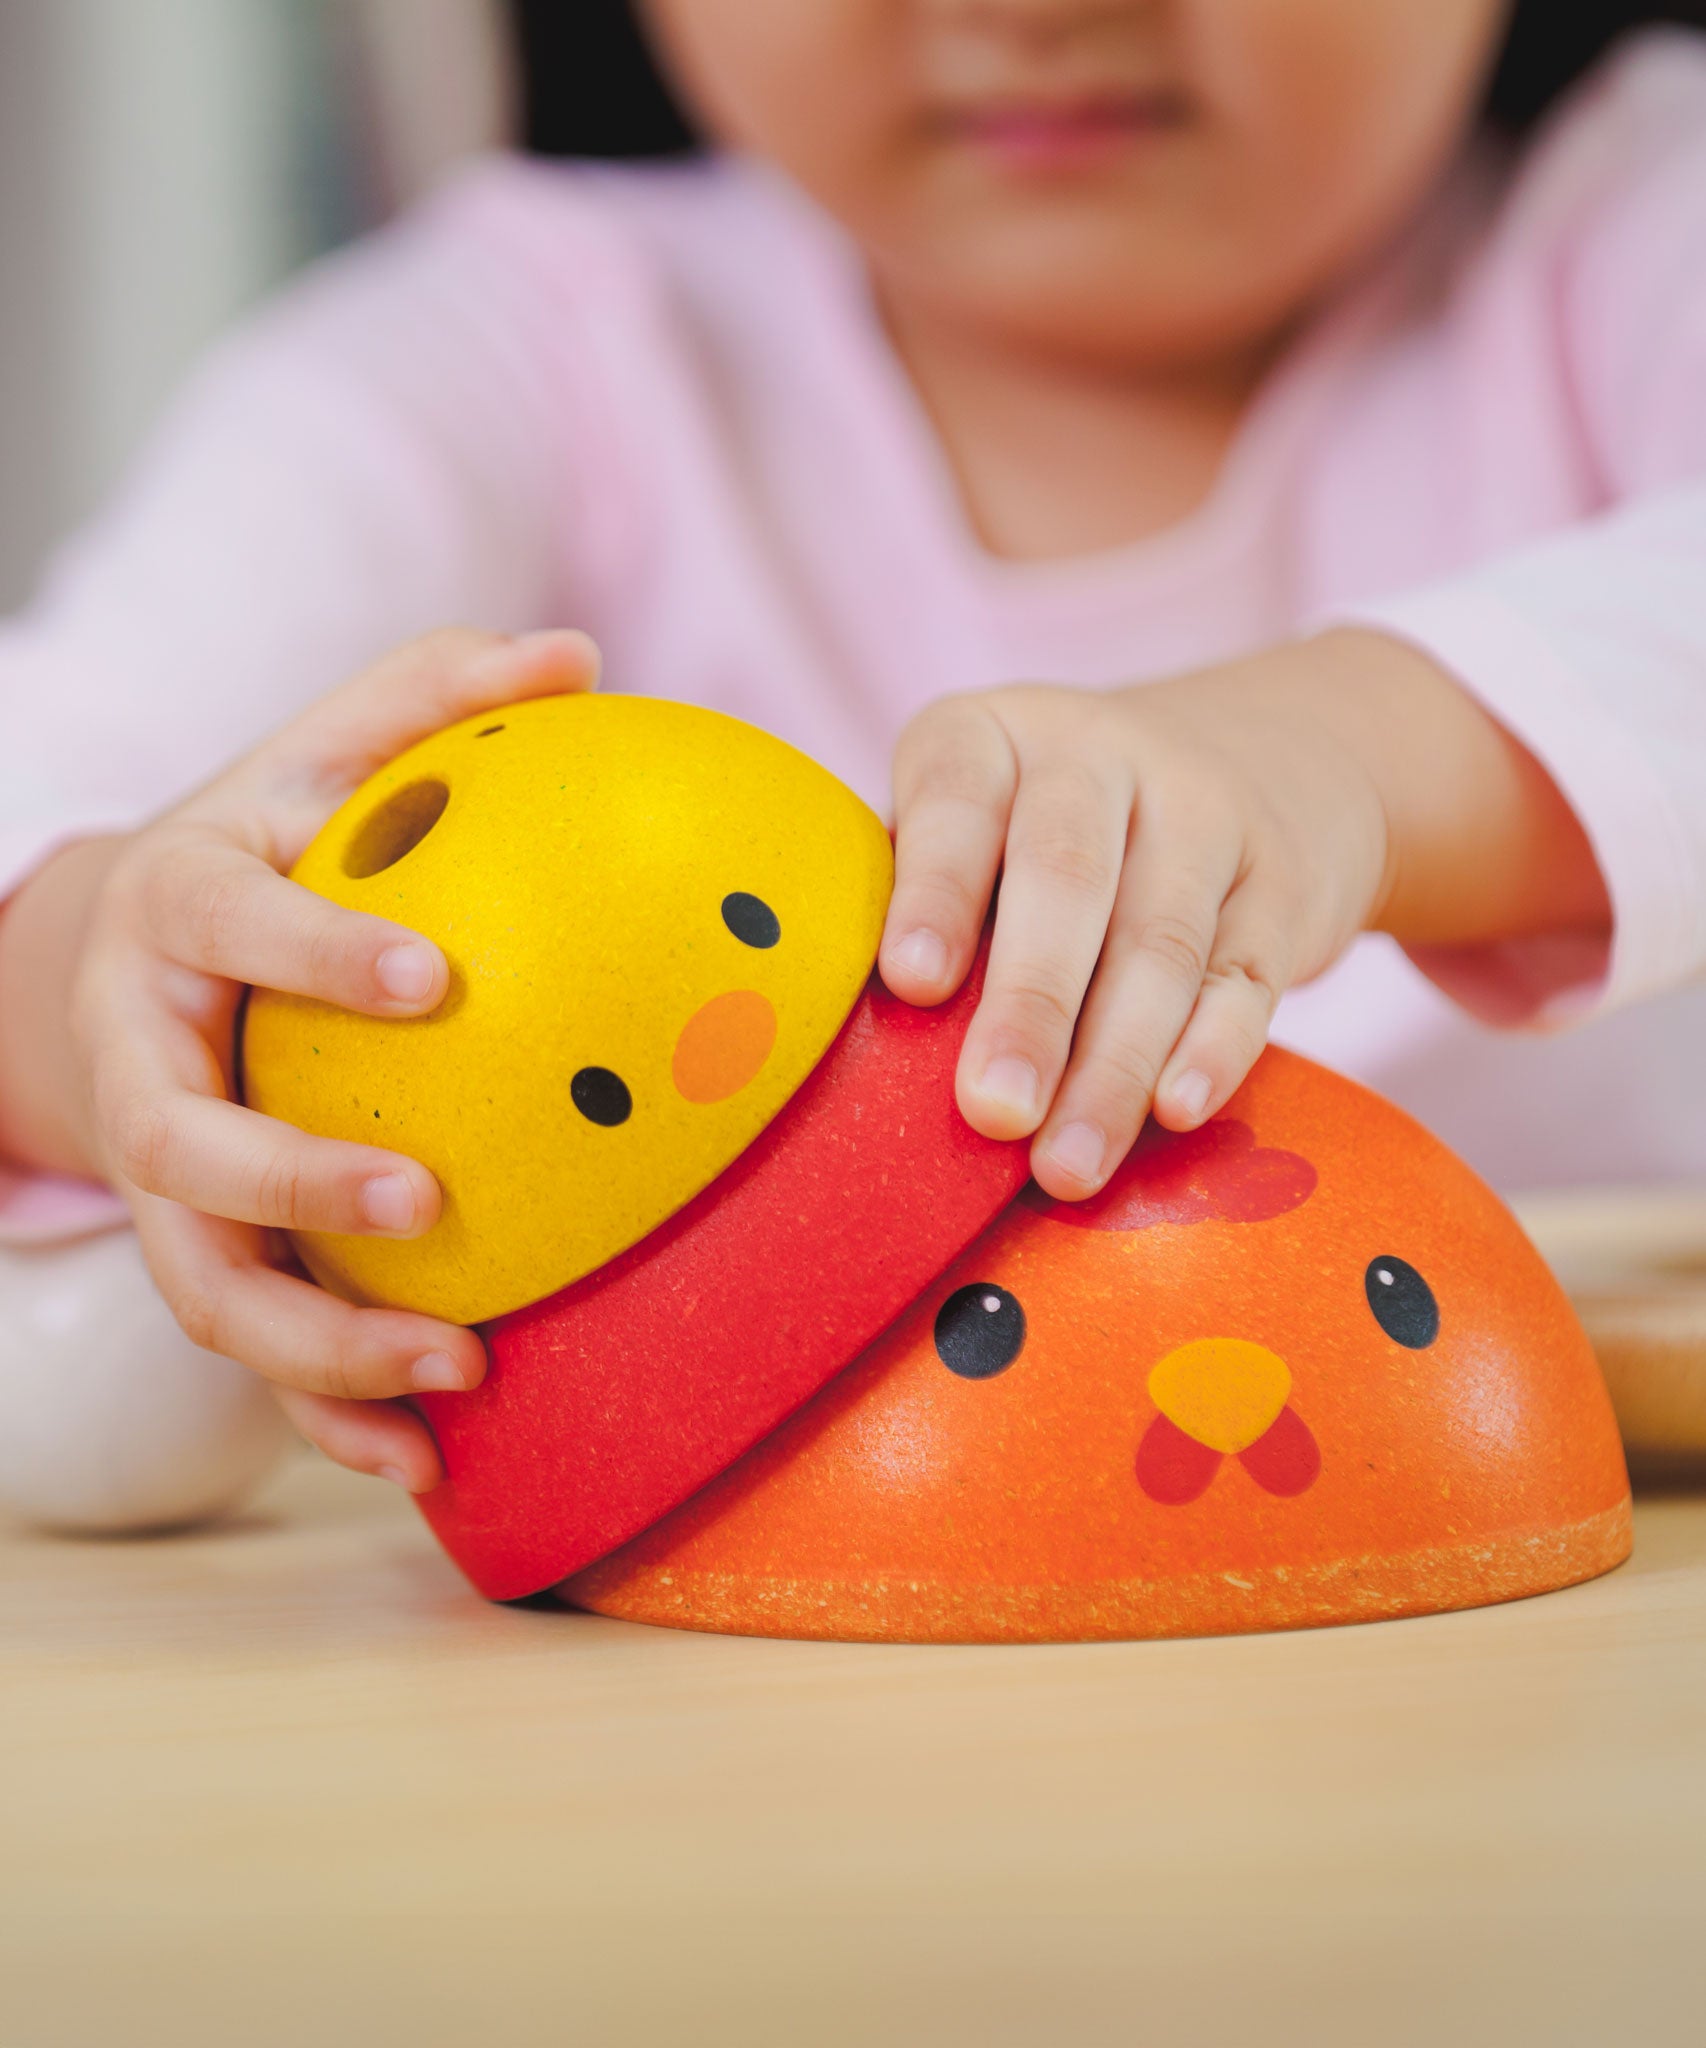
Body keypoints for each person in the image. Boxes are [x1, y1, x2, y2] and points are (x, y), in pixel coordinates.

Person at [2, 0, 1705, 1527]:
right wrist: (109, 982)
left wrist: (1330, 753)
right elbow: (51, 792)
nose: (1034, 14)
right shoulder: (523, 340)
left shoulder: (1642, 214)